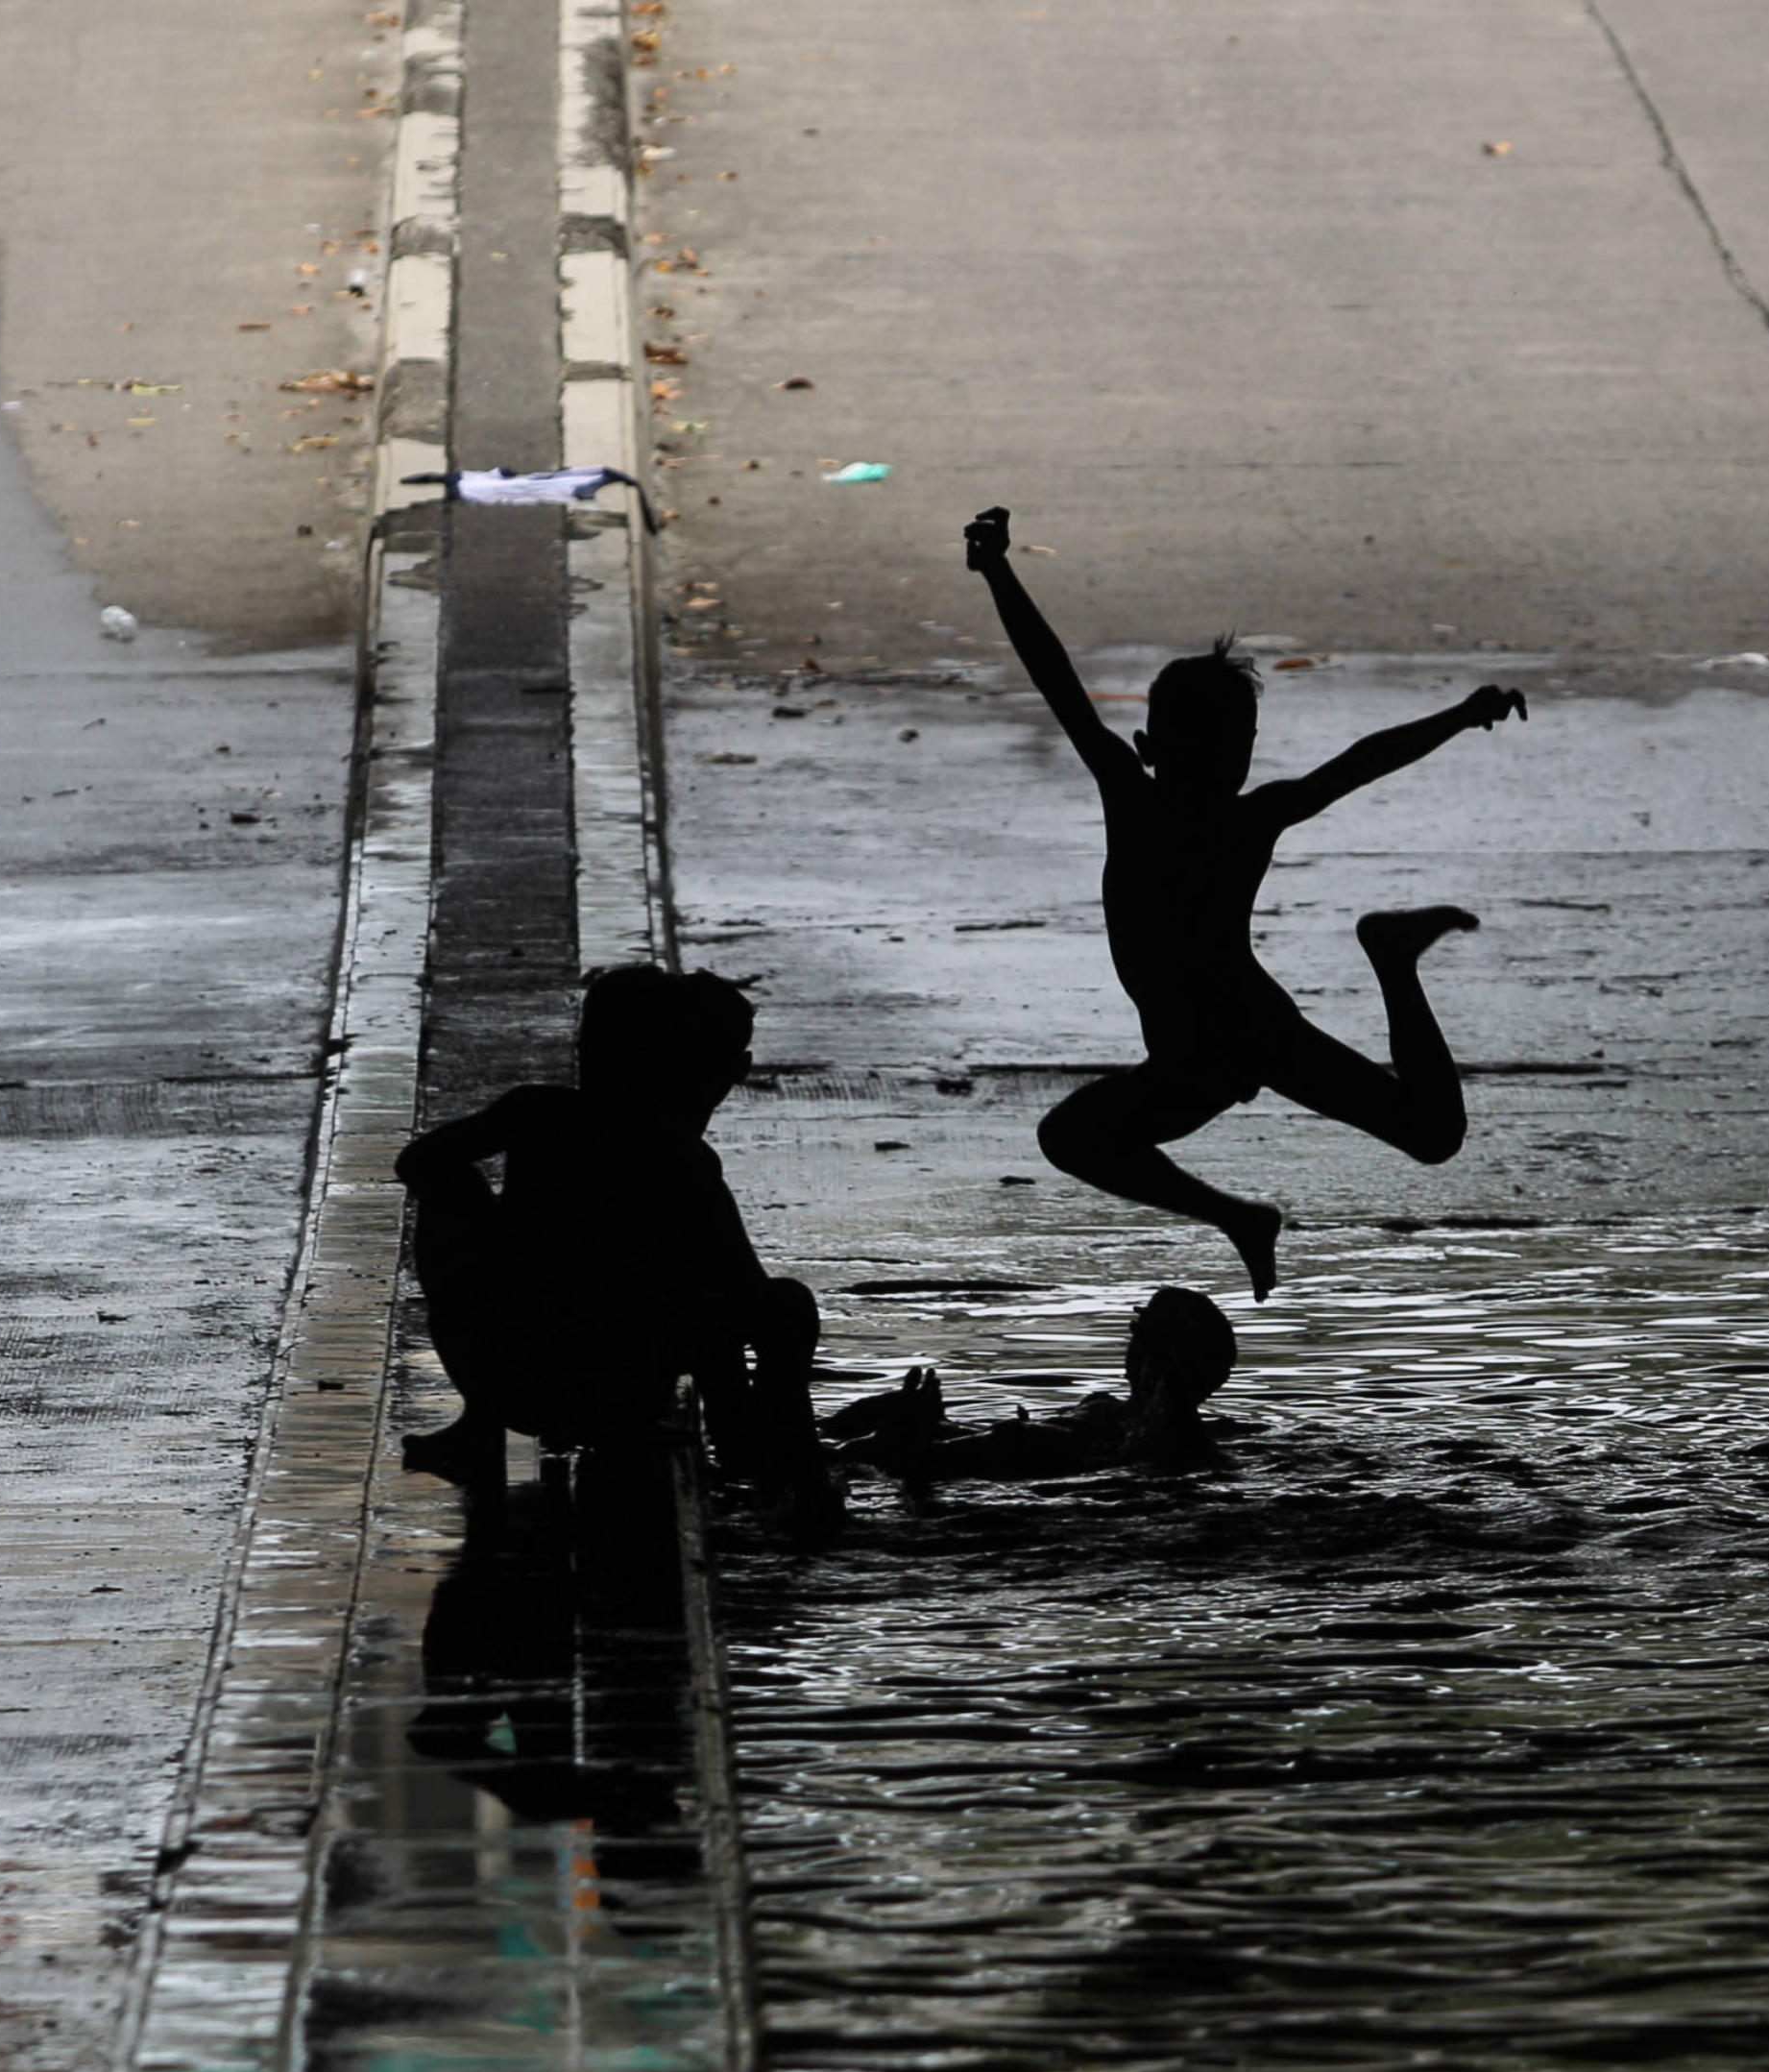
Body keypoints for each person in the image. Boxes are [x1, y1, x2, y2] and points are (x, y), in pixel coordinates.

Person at [966, 502, 1524, 1299]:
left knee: (1072, 1137)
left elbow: (1058, 679)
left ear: (1150, 747)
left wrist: (996, 567)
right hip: (1241, 1037)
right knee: (1431, 1135)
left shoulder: (1143, 794)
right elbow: (1354, 764)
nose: (1220, 767)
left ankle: (1242, 1209)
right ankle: (1389, 964)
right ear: (1160, 751)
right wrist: (1464, 715)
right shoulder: (1233, 811)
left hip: (1222, 1045)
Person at [393, 965, 833, 1511]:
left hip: (502, 1366)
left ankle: (484, 1419)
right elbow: (747, 1301)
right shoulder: (681, 1164)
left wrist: (496, 1234)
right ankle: (775, 1463)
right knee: (782, 1303)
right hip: (609, 1392)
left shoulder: (536, 1113)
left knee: (451, 1185)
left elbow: (419, 1160)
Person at [827, 1286, 1240, 1480]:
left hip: (1021, 1456)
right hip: (999, 1446)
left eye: (1147, 1337)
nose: (1135, 1346)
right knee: (869, 1419)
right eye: (1137, 1332)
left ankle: (900, 1451)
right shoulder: (1105, 1405)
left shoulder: (1182, 1442)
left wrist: (1173, 1389)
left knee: (877, 1453)